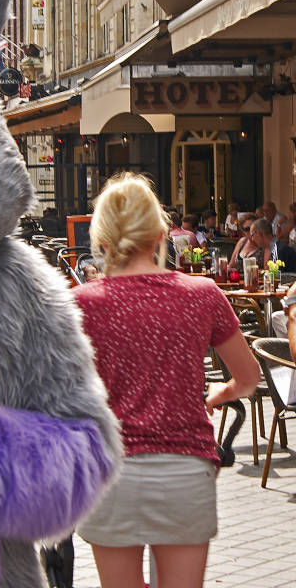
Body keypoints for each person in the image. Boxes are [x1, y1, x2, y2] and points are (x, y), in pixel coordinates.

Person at [73, 172, 260, 588]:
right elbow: (249, 377)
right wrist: (221, 394)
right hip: (184, 469)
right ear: (161, 234)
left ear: (102, 237)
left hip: (110, 472)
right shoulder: (202, 295)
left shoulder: (80, 305)